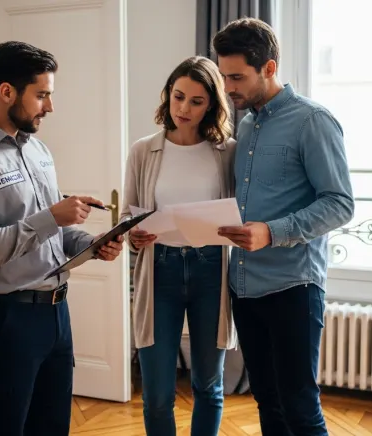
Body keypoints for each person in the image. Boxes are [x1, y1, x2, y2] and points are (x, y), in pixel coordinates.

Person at [0, 41, 124, 436]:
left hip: (56, 315)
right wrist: (51, 216)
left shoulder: (37, 151)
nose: (49, 107)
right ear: (6, 92)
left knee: (52, 428)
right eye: (42, 95)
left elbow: (53, 233)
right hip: (5, 320)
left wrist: (91, 243)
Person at [212, 18, 355, 436]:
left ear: (269, 68)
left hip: (293, 286)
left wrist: (271, 232)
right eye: (224, 76)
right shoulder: (245, 125)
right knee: (267, 401)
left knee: (299, 405)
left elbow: (340, 204)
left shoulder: (313, 121)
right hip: (244, 284)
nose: (228, 87)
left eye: (237, 77)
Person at [121, 55, 238, 436]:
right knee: (156, 394)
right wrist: (133, 234)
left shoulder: (227, 152)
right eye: (178, 96)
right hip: (160, 272)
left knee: (209, 385)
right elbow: (127, 218)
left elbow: (239, 212)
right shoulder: (143, 151)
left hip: (211, 272)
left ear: (212, 105)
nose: (184, 108)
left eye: (196, 101)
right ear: (167, 95)